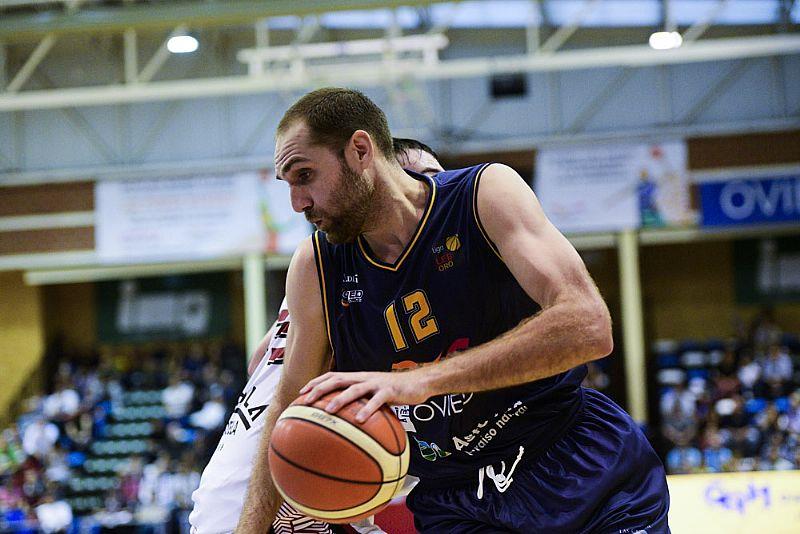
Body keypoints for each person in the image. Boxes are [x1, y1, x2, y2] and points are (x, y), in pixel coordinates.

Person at [236, 87, 670, 534]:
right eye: (288, 185)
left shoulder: (485, 194)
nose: (298, 203)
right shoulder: (315, 267)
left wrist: (420, 381)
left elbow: (589, 326)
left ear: (360, 150)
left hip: (573, 461)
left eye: (305, 175)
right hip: (455, 500)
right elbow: (286, 407)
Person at [189, 138, 444, 534]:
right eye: (423, 177)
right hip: (272, 482)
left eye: (440, 179)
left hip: (246, 467)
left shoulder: (324, 272)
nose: (435, 191)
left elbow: (258, 360)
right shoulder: (354, 269)